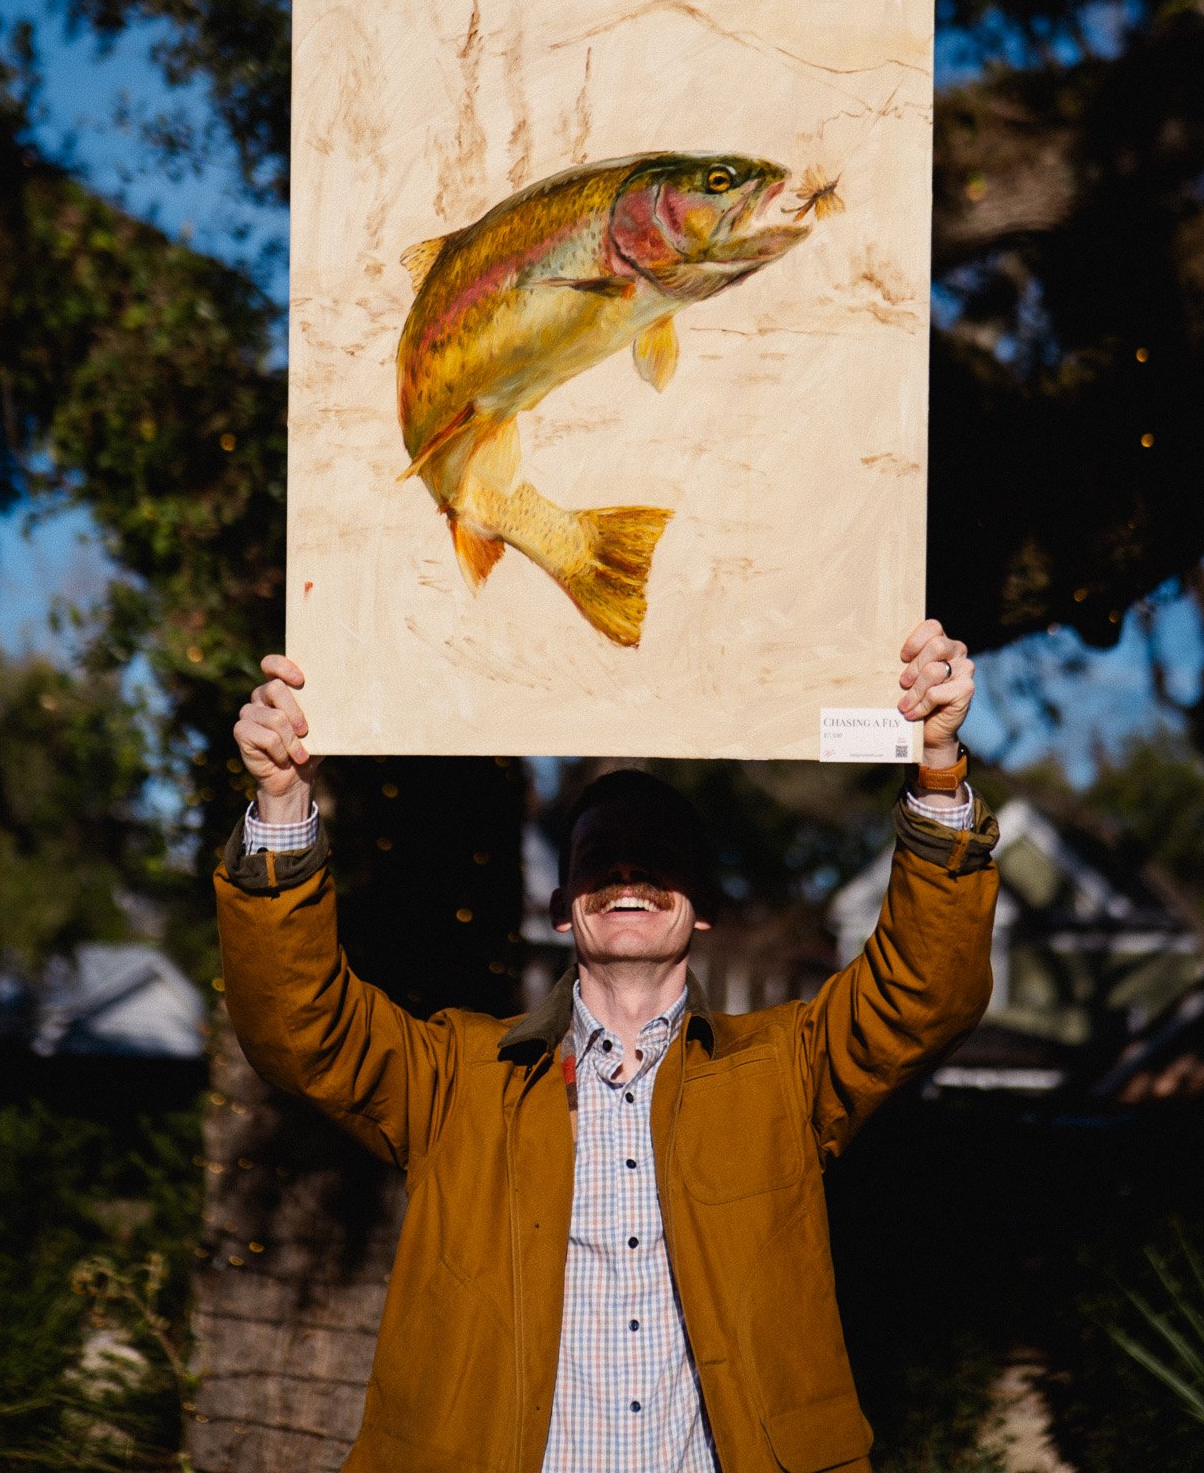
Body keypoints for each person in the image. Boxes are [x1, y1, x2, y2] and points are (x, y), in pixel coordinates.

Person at [219, 619, 998, 1473]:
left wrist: (934, 767)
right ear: (562, 907)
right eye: (601, 859)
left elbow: (925, 989)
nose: (628, 875)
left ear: (700, 906)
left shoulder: (785, 1070)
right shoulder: (454, 1078)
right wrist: (284, 803)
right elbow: (299, 1024)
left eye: (656, 858)